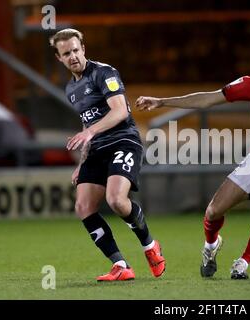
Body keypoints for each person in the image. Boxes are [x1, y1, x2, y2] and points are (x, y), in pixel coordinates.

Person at [136, 24, 250, 279]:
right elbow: (208, 99)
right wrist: (162, 101)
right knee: (214, 211)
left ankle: (242, 263)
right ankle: (211, 246)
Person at [50, 28, 165, 281]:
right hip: (96, 149)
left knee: (116, 200)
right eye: (66, 53)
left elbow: (119, 112)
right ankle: (121, 265)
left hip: (123, 141)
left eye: (76, 50)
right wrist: (82, 163)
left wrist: (90, 132)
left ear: (84, 49)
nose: (73, 56)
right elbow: (87, 122)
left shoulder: (104, 73)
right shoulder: (71, 88)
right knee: (83, 206)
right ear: (59, 58)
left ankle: (150, 246)